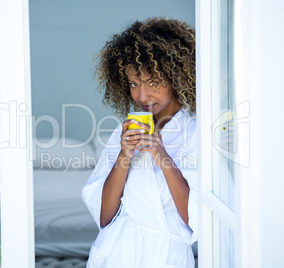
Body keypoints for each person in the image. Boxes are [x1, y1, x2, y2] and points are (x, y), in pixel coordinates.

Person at [82, 17, 197, 268]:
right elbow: (104, 216)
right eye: (134, 84)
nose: (141, 96)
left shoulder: (195, 131)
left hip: (167, 256)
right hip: (116, 253)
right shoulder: (125, 131)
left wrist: (161, 154)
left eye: (152, 83)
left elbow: (196, 220)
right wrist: (124, 155)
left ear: (177, 77)